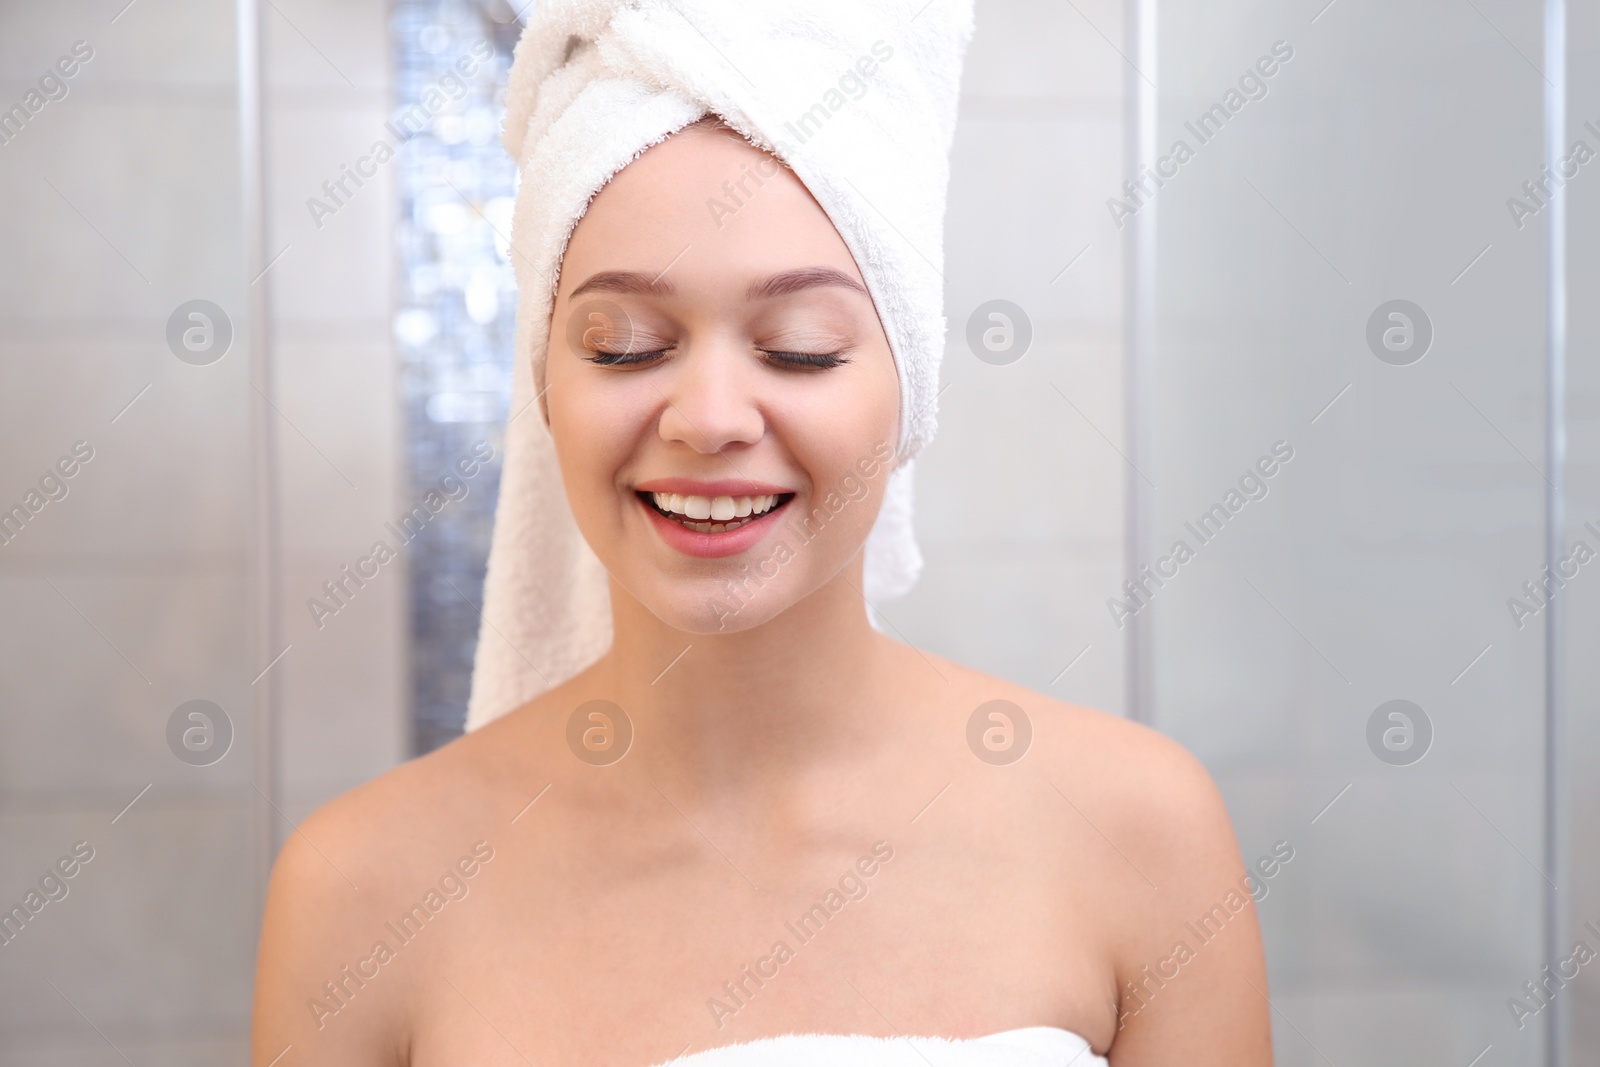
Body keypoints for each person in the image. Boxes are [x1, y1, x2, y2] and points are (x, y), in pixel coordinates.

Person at [253, 2, 1272, 1061]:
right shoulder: (362, 893)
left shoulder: (1137, 834)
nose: (708, 418)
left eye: (798, 349)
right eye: (624, 345)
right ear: (544, 389)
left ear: (909, 387)